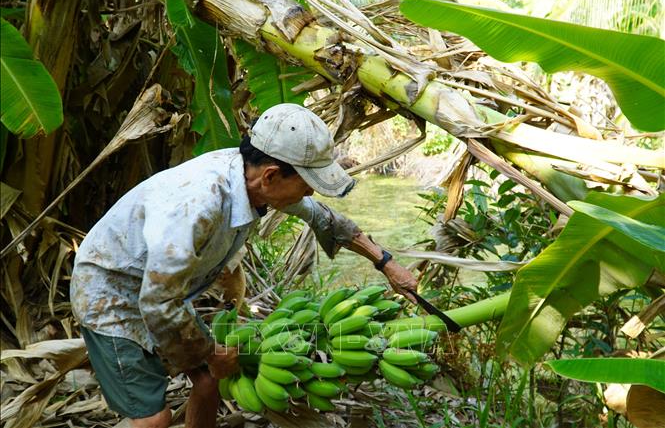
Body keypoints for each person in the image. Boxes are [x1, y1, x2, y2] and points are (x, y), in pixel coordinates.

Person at [70, 103, 418, 428]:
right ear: (271, 176)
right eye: (307, 184)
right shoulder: (200, 204)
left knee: (208, 383)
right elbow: (157, 300)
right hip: (113, 294)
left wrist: (385, 263)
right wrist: (210, 351)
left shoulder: (251, 179)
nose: (309, 194)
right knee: (153, 419)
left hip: (163, 290)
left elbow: (323, 218)